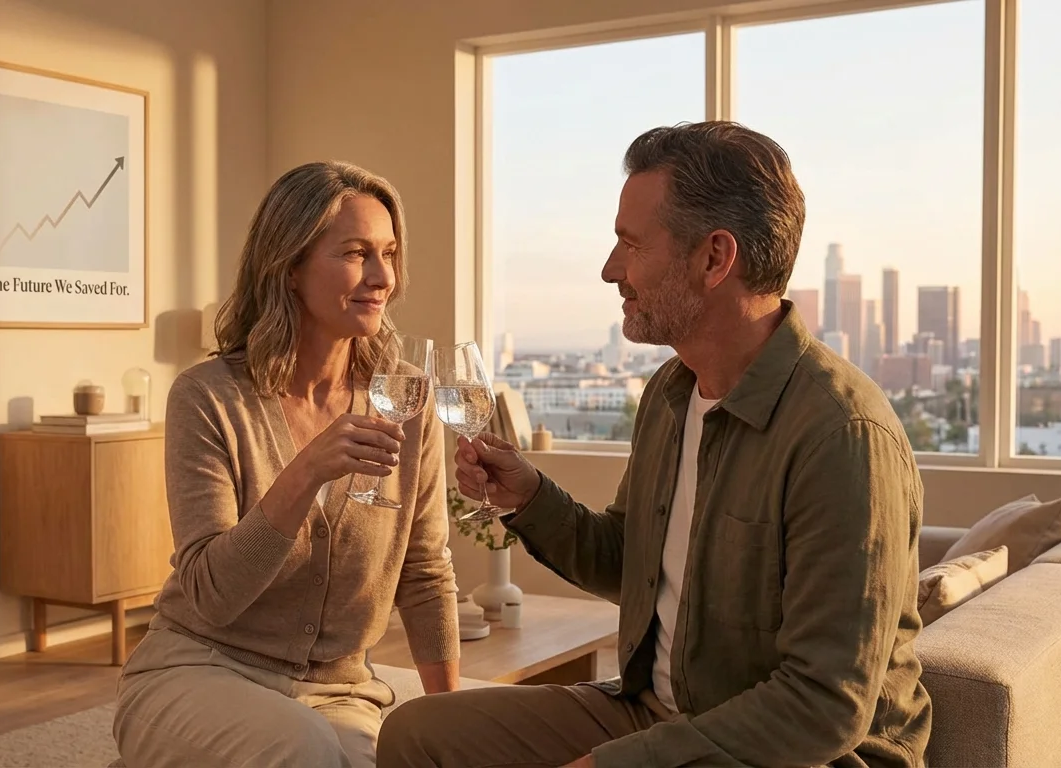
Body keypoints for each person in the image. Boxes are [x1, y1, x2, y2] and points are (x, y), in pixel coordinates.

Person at [377, 121, 932, 767]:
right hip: (655, 710)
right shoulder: (672, 393)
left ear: (714, 258)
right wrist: (528, 497)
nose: (611, 269)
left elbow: (824, 704)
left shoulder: (842, 436)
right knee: (418, 733)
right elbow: (630, 563)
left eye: (630, 244)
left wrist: (618, 763)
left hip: (803, 754)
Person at [113, 160, 461, 768]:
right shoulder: (208, 397)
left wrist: (457, 728)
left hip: (339, 691)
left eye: (390, 253)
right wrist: (304, 473)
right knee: (304, 753)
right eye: (356, 253)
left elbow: (425, 571)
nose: (383, 277)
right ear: (290, 266)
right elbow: (211, 597)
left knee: (379, 759)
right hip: (199, 666)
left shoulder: (405, 398)